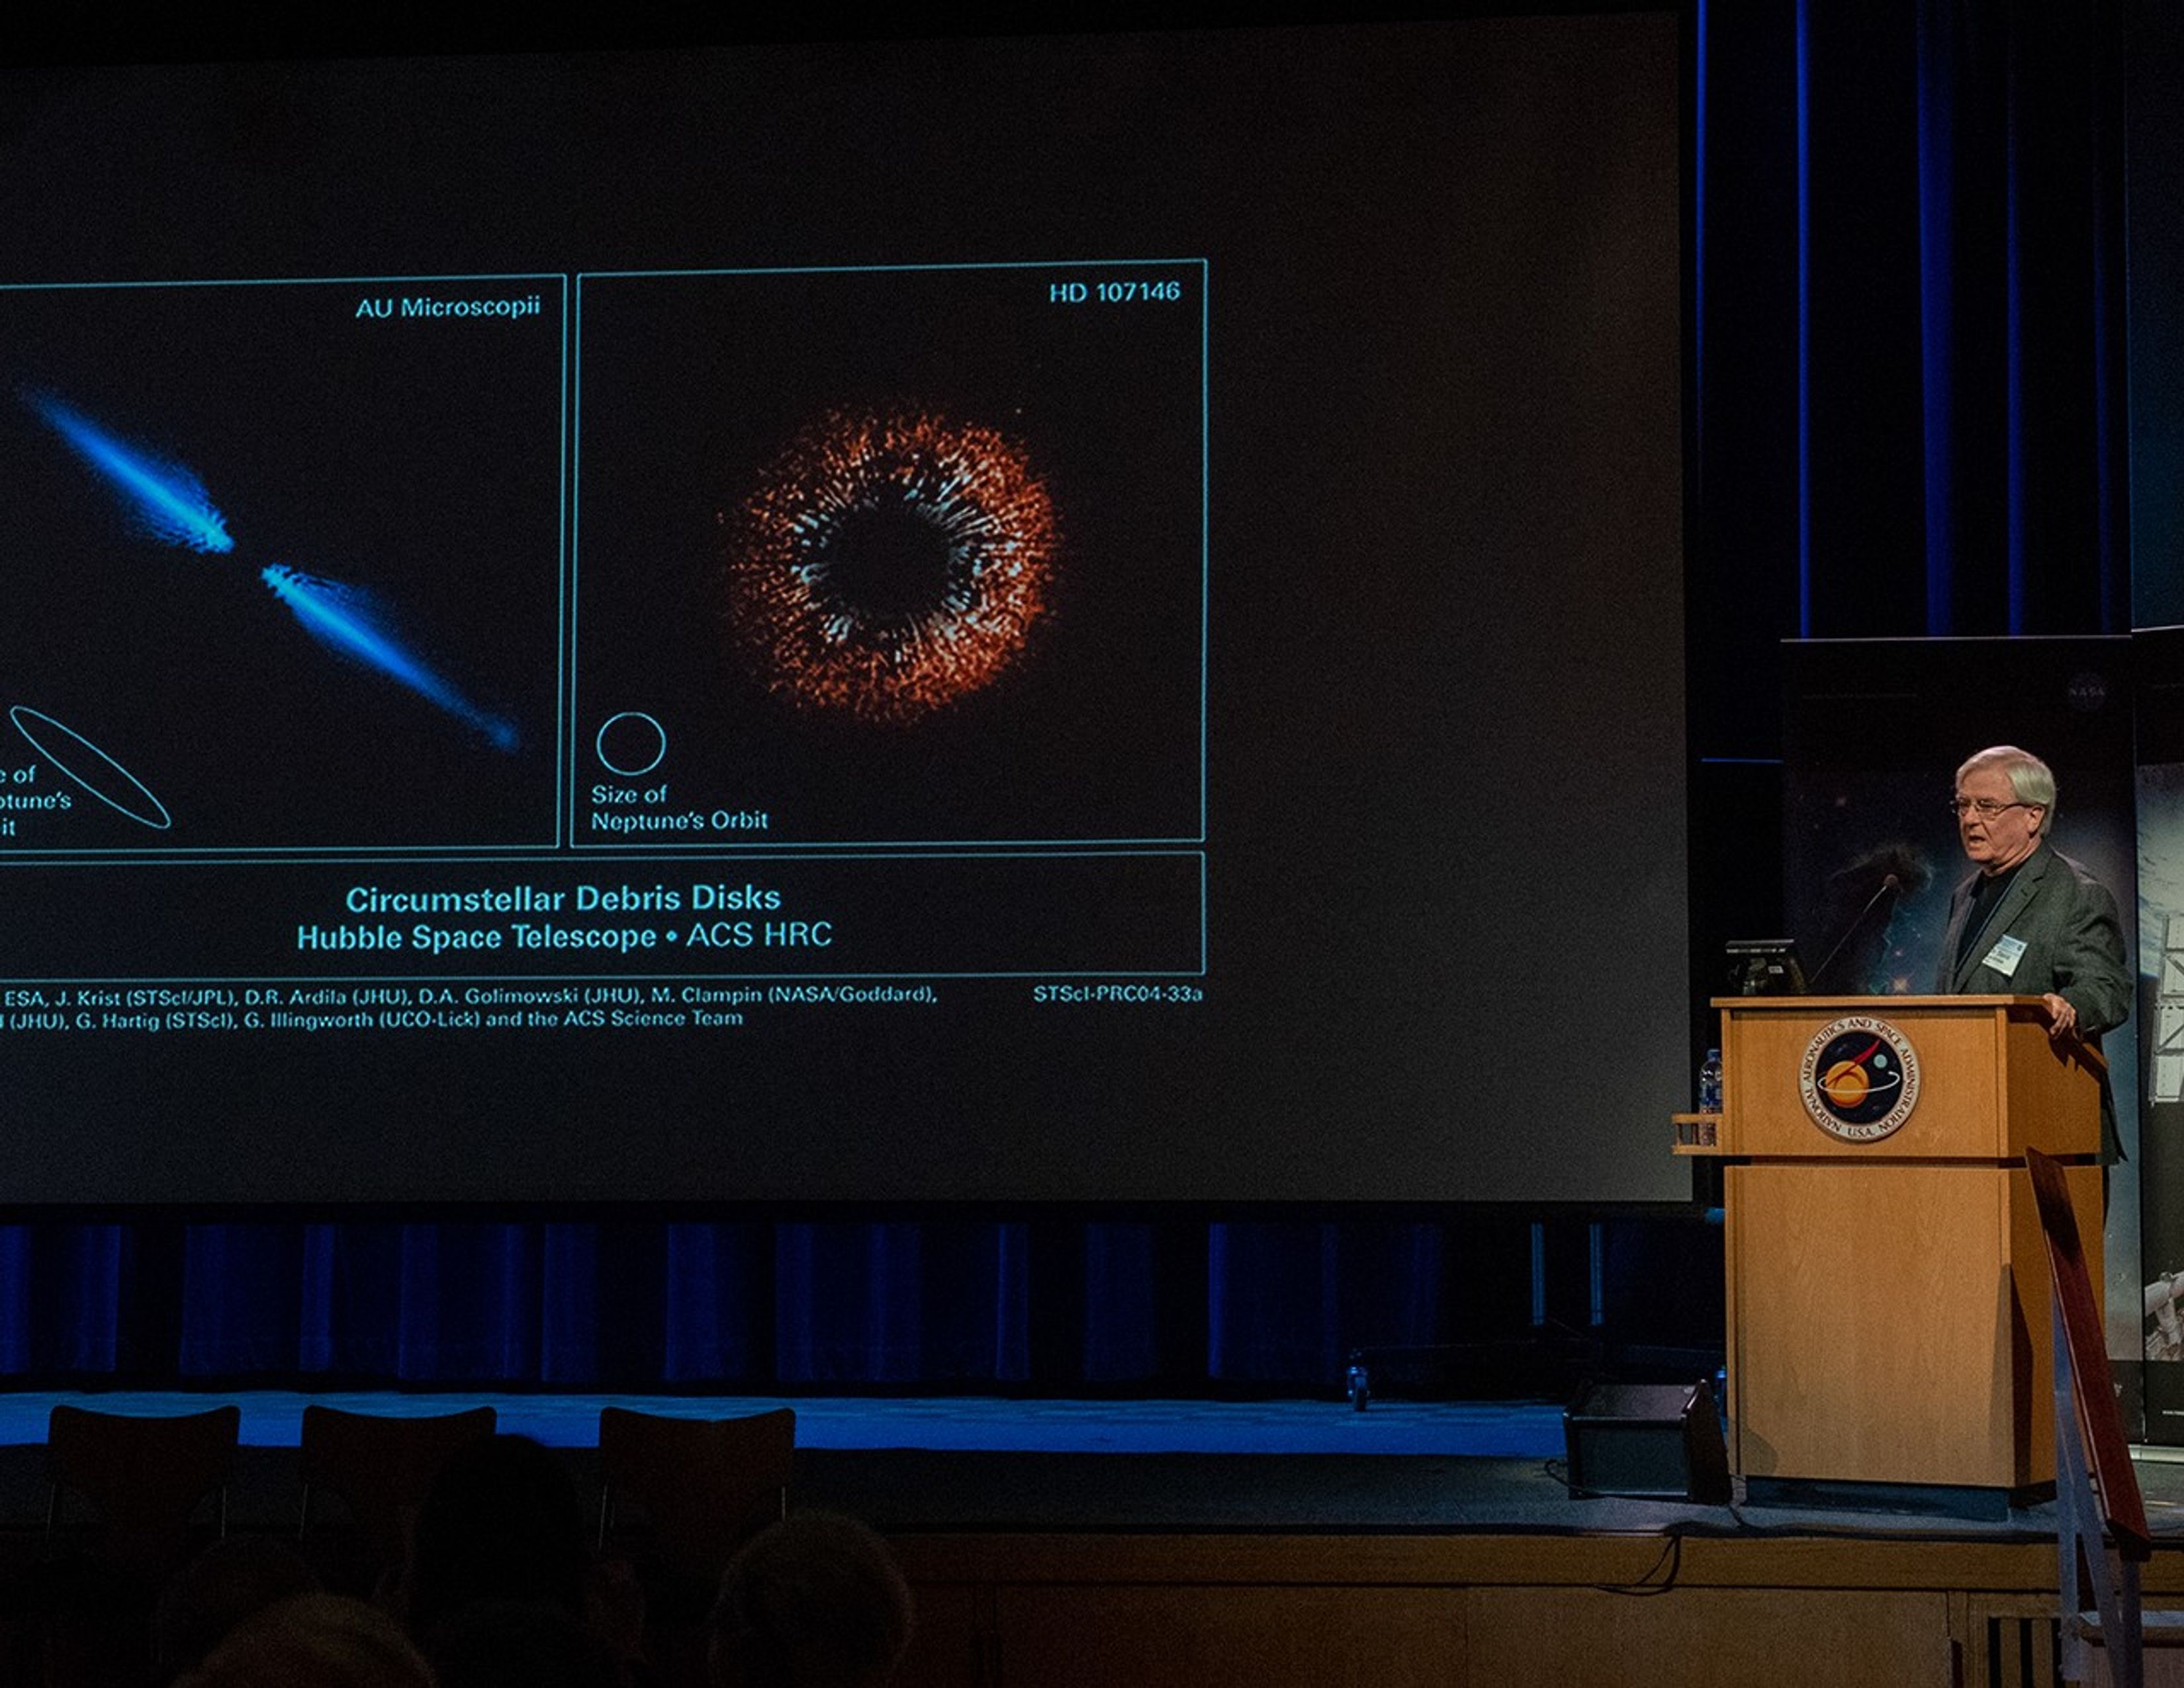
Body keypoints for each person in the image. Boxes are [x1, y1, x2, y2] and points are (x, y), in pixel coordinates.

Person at [1936, 745, 2130, 1156]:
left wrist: (2072, 1007)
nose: (1969, 819)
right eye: (1963, 805)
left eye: (1987, 807)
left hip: (2051, 1121)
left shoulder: (2077, 893)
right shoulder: (1965, 895)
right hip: (1970, 1118)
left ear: (2033, 816)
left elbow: (2106, 987)